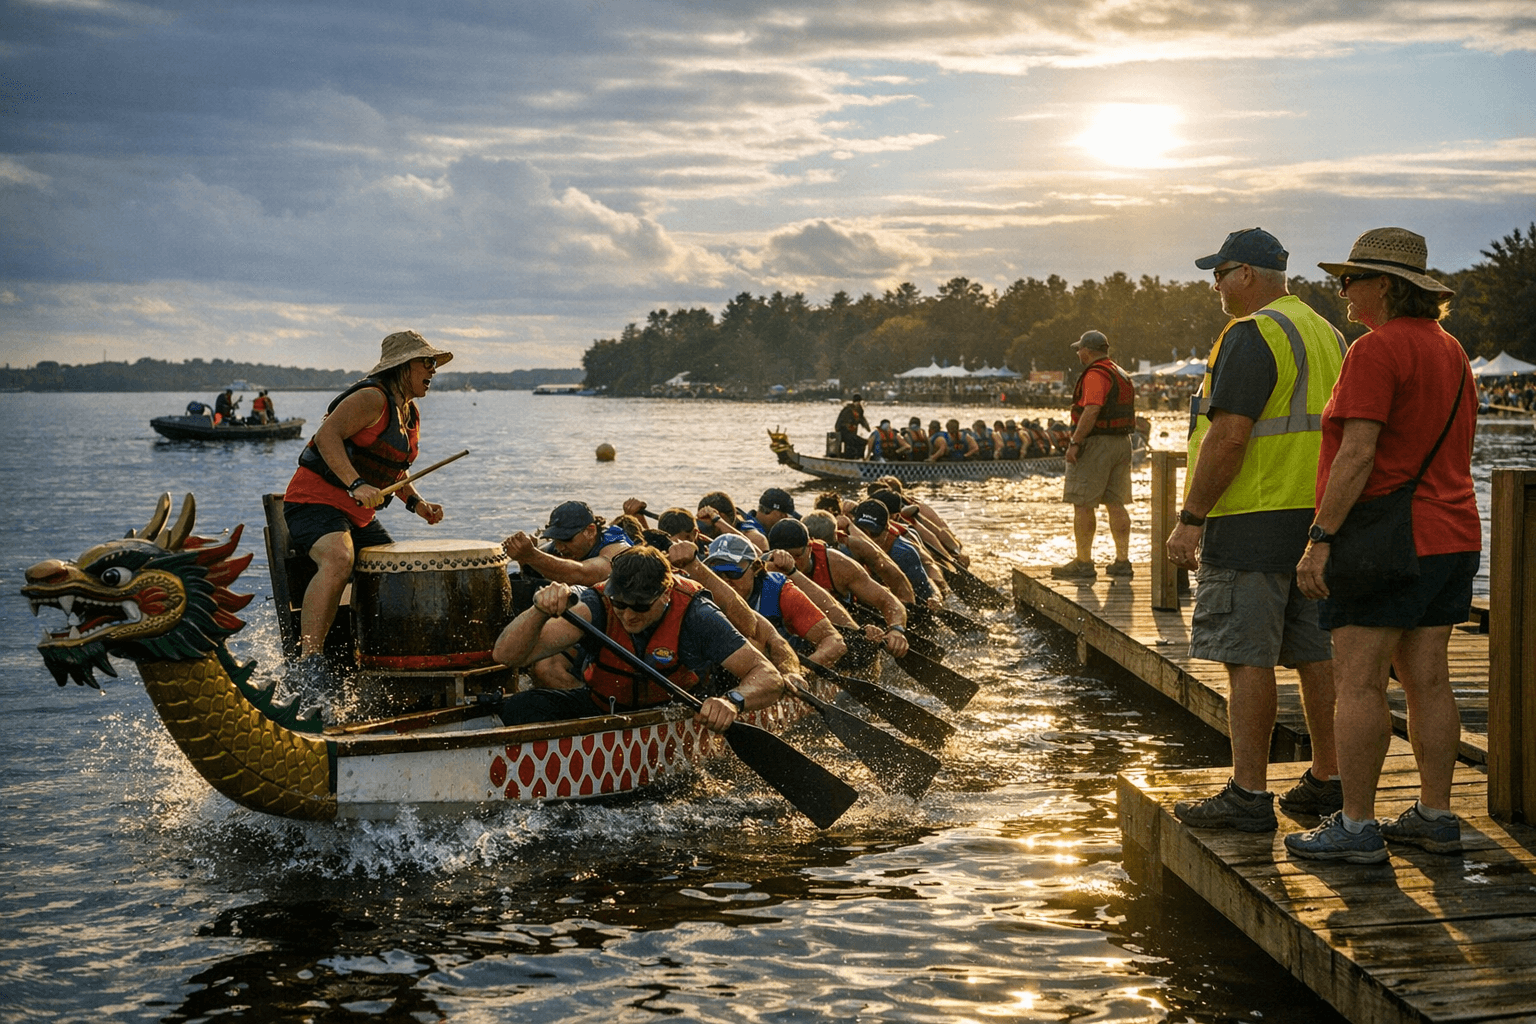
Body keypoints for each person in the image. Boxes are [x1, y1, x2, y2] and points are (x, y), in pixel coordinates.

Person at [1285, 228, 1479, 864]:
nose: (1342, 290)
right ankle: (1435, 814)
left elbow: (1359, 452)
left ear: (1387, 287)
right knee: (1430, 680)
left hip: (1386, 539)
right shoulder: (1452, 351)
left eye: (1352, 279)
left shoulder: (1374, 350)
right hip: (1453, 534)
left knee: (1359, 682)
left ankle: (1358, 826)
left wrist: (1320, 539)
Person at [1164, 228, 1347, 833]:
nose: (1214, 284)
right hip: (1314, 520)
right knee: (1315, 654)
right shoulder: (1327, 333)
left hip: (1250, 517)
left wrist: (1191, 521)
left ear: (1247, 274)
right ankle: (1328, 777)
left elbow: (1230, 435)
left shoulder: (1251, 334)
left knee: (1247, 658)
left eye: (1219, 273)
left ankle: (1248, 794)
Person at [281, 330, 450, 677]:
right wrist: (355, 484)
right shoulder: (372, 398)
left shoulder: (410, 413)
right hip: (313, 502)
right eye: (427, 362)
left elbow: (394, 469)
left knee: (397, 573)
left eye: (434, 364)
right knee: (339, 558)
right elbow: (327, 436)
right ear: (404, 366)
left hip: (356, 515)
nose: (433, 370)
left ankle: (376, 657)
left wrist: (417, 504)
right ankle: (308, 664)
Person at [491, 546, 786, 730]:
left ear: (667, 593)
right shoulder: (596, 604)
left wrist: (732, 702)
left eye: (641, 606)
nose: (628, 615)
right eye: (620, 604)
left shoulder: (698, 615)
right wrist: (539, 611)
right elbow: (506, 656)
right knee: (519, 706)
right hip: (603, 706)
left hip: (674, 715)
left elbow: (770, 677)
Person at [1051, 331, 1136, 581]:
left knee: (1083, 503)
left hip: (1097, 443)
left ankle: (1084, 563)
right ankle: (1122, 560)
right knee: (1116, 502)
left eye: (1079, 350)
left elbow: (1092, 410)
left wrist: (1075, 442)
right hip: (1122, 442)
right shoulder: (1121, 373)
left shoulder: (1095, 373)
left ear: (1087, 351)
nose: (1078, 354)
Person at [701, 534, 847, 669]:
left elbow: (834, 641)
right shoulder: (702, 594)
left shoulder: (781, 593)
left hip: (790, 665)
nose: (725, 580)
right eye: (717, 574)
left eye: (732, 571)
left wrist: (803, 673)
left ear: (755, 568)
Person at [503, 500, 632, 586]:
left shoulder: (615, 547)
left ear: (590, 531)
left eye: (566, 539)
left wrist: (531, 555)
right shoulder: (558, 545)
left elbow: (583, 574)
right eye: (556, 539)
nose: (559, 547)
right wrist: (523, 558)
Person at [834, 394, 869, 459]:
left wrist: (867, 428)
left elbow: (862, 420)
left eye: (859, 402)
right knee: (853, 443)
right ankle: (850, 457)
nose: (858, 403)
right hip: (844, 433)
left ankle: (859, 457)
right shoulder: (847, 410)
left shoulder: (859, 410)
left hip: (852, 433)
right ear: (854, 402)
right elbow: (839, 423)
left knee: (863, 442)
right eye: (857, 402)